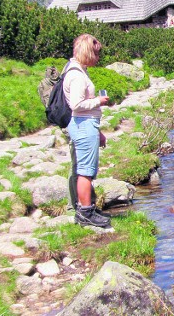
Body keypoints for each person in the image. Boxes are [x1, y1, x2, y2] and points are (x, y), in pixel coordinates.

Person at [63, 33, 111, 228]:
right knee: (85, 171)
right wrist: (98, 101)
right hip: (83, 125)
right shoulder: (76, 75)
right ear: (88, 52)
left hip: (86, 124)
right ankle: (85, 213)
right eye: (96, 54)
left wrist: (97, 131)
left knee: (84, 168)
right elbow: (76, 104)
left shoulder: (76, 70)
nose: (98, 58)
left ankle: (85, 208)